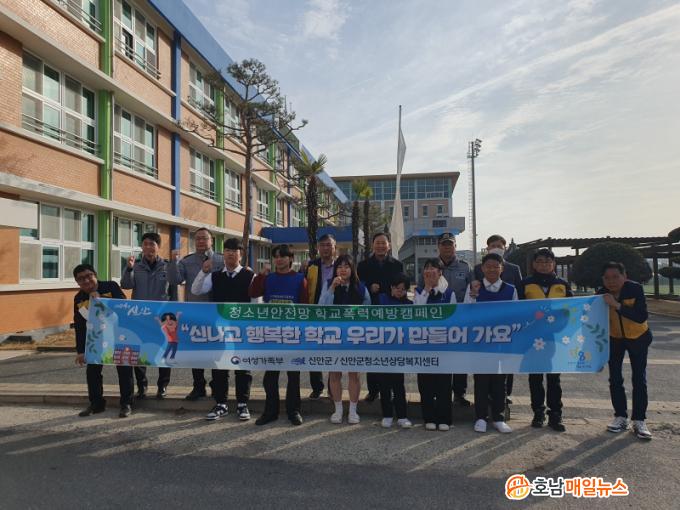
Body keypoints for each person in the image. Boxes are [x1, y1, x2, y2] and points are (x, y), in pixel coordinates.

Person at [192, 238, 255, 421]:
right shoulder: (215, 276)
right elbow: (196, 290)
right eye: (227, 250)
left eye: (234, 251)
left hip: (242, 330)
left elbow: (256, 304)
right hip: (219, 329)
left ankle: (242, 404)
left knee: (242, 367)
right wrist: (203, 272)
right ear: (223, 254)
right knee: (219, 367)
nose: (230, 254)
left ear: (241, 255)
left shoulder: (250, 275)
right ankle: (221, 403)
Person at [249, 244, 308, 426]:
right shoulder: (268, 278)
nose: (279, 259)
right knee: (270, 376)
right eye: (276, 256)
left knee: (293, 375)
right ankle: (270, 412)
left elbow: (305, 306)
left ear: (290, 259)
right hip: (272, 333)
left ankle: (294, 411)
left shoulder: (300, 279)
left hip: (292, 333)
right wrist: (261, 275)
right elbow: (253, 292)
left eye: (283, 256)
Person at [517, 248, 571, 432]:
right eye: (540, 261)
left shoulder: (562, 284)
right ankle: (538, 412)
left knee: (554, 378)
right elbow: (517, 310)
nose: (544, 265)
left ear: (553, 264)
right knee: (535, 377)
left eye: (548, 262)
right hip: (533, 338)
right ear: (534, 264)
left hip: (557, 338)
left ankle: (556, 414)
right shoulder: (525, 284)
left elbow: (572, 310)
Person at [168, 227, 224, 401]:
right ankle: (198, 386)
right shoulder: (187, 261)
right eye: (197, 238)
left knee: (216, 351)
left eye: (204, 238)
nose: (200, 241)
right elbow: (175, 280)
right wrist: (173, 262)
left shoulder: (221, 260)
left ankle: (217, 385)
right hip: (195, 312)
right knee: (196, 350)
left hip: (216, 313)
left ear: (211, 240)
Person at [598, 262, 653, 440]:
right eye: (607, 278)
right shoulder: (600, 294)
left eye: (616, 277)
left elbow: (641, 316)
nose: (611, 281)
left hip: (638, 337)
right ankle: (620, 417)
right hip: (615, 339)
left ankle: (639, 420)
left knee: (639, 378)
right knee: (615, 378)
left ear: (625, 276)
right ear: (602, 279)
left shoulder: (635, 289)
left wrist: (616, 305)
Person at [73, 264, 135, 418]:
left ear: (95, 274)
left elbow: (123, 304)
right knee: (92, 371)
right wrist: (80, 351)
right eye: (81, 279)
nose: (86, 281)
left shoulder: (110, 286)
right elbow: (79, 325)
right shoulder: (79, 298)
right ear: (77, 282)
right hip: (96, 340)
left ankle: (126, 403)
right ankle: (96, 404)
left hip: (119, 335)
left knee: (124, 369)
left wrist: (101, 299)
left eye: (88, 276)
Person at [464, 253, 516, 434]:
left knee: (499, 381)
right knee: (481, 381)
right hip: (480, 343)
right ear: (482, 268)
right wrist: (473, 295)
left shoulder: (510, 289)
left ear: (502, 268)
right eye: (488, 266)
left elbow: (516, 314)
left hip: (501, 343)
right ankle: (480, 417)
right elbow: (466, 312)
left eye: (496, 266)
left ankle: (498, 418)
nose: (492, 269)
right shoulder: (474, 287)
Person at [120, 232, 174, 400]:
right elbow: (126, 285)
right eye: (145, 244)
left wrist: (173, 314)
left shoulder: (167, 266)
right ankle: (142, 385)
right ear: (142, 247)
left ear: (158, 247)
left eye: (152, 244)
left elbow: (174, 293)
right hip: (140, 318)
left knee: (163, 352)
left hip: (162, 318)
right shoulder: (135, 266)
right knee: (139, 352)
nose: (148, 247)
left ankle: (162, 386)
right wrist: (129, 268)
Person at [421, 233, 472, 408]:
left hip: (460, 320)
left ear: (455, 246)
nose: (447, 247)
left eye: (450, 244)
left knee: (459, 359)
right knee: (439, 359)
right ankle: (438, 393)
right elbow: (422, 289)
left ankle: (459, 393)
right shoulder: (431, 266)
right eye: (444, 244)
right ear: (438, 246)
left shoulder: (465, 267)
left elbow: (471, 290)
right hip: (434, 323)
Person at [319, 254, 370, 424]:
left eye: (347, 266)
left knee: (354, 374)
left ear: (352, 269)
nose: (343, 269)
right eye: (340, 266)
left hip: (354, 337)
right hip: (334, 336)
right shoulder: (328, 284)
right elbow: (321, 308)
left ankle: (353, 410)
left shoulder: (361, 287)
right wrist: (332, 289)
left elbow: (368, 311)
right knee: (334, 374)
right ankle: (338, 409)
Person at [472, 234, 522, 404]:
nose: (496, 248)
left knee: (504, 367)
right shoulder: (477, 269)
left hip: (504, 329)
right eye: (492, 245)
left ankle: (505, 396)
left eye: (499, 246)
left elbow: (519, 293)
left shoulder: (514, 269)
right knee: (482, 371)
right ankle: (484, 402)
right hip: (482, 330)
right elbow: (473, 291)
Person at [357, 232, 404, 402]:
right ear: (372, 245)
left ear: (389, 245)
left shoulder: (397, 265)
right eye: (377, 243)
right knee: (372, 351)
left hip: (391, 314)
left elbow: (402, 286)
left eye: (384, 243)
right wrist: (369, 287)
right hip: (371, 312)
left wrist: (389, 289)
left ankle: (393, 389)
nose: (381, 246)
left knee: (392, 351)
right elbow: (358, 286)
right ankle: (373, 390)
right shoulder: (363, 265)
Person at [414, 258, 454, 431]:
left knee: (444, 384)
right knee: (426, 384)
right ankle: (429, 417)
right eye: (427, 268)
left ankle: (445, 418)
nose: (429, 271)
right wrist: (427, 290)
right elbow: (417, 312)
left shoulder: (449, 293)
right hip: (424, 345)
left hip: (443, 345)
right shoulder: (418, 292)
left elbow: (454, 317)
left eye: (433, 268)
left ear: (440, 272)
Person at [377, 273, 413, 429]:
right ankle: (387, 415)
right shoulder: (381, 300)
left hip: (400, 350)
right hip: (383, 349)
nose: (400, 291)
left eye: (403, 289)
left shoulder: (409, 304)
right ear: (391, 287)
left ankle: (402, 416)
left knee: (399, 384)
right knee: (384, 384)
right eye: (397, 288)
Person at [304, 233, 338, 399]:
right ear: (318, 247)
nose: (325, 248)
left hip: (335, 314)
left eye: (329, 245)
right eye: (322, 245)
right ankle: (317, 387)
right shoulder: (312, 266)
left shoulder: (341, 265)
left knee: (334, 350)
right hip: (315, 312)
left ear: (334, 247)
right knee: (314, 350)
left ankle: (333, 387)